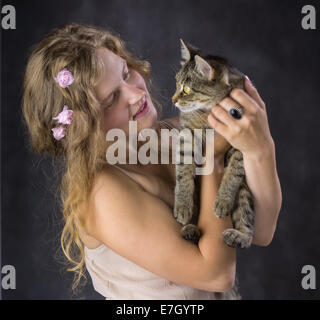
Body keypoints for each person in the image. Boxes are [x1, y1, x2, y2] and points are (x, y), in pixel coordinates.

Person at [22, 22, 282, 300]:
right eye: (111, 100)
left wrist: (260, 148)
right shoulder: (102, 191)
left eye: (126, 73)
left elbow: (260, 230)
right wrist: (211, 157)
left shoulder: (175, 132)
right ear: (83, 128)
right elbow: (216, 275)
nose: (136, 94)